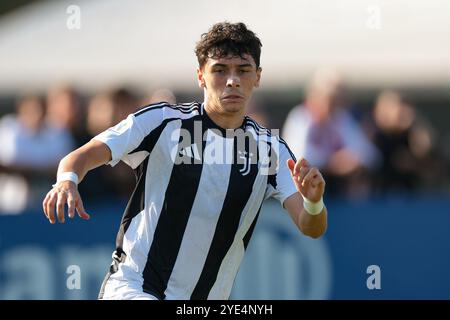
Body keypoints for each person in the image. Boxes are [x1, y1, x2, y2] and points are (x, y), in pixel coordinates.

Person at [42, 22, 328, 300]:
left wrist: (314, 202)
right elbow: (84, 154)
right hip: (134, 287)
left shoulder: (270, 149)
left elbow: (310, 227)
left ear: (258, 77)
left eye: (243, 70)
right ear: (201, 76)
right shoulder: (162, 122)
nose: (232, 80)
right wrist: (67, 181)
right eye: (219, 70)